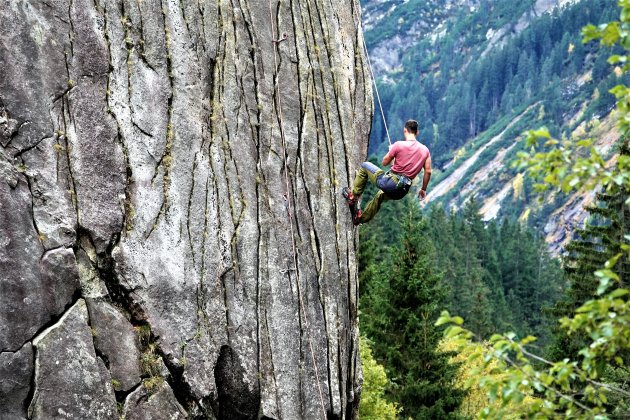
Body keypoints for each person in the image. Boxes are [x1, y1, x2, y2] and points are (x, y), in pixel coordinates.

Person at [342, 119, 432, 225]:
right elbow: (428, 171)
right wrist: (423, 189)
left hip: (391, 183)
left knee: (365, 166)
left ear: (405, 130)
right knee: (380, 196)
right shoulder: (425, 150)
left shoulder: (398, 145)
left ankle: (353, 197)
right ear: (417, 132)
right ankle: (359, 219)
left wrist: (391, 152)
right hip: (402, 190)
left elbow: (384, 162)